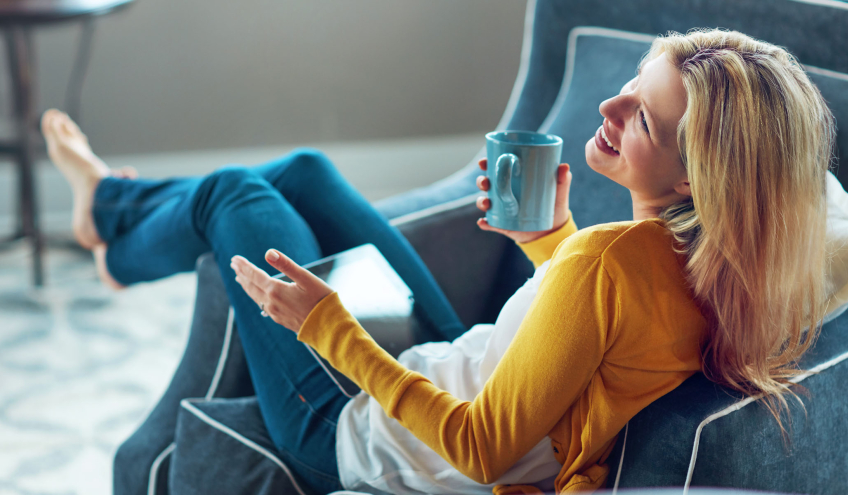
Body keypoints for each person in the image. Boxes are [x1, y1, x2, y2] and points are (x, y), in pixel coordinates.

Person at [43, 27, 835, 494]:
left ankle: (110, 219)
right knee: (307, 174)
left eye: (642, 119)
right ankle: (114, 221)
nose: (609, 106)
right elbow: (602, 331)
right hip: (458, 367)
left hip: (363, 435)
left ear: (700, 176)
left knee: (235, 198)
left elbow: (484, 447)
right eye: (632, 83)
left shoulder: (612, 259)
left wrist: (332, 332)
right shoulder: (703, 265)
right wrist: (546, 239)